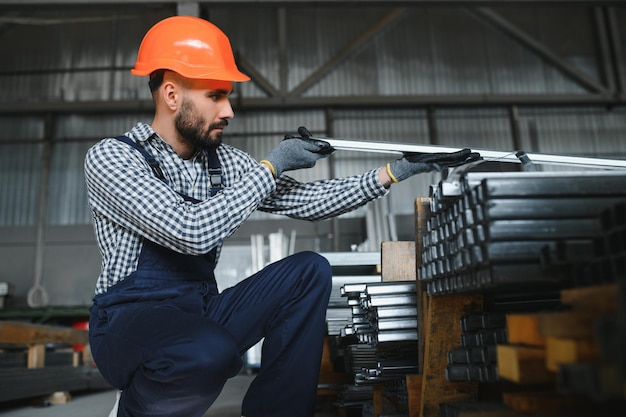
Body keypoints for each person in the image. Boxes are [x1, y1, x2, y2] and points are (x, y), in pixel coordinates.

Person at [84, 15, 480, 417]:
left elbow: (307, 202)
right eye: (216, 95)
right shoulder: (114, 158)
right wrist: (271, 166)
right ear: (172, 95)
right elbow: (190, 231)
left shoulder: (225, 165)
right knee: (209, 352)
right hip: (128, 323)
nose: (229, 111)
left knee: (309, 271)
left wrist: (395, 171)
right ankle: (134, 409)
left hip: (198, 313)